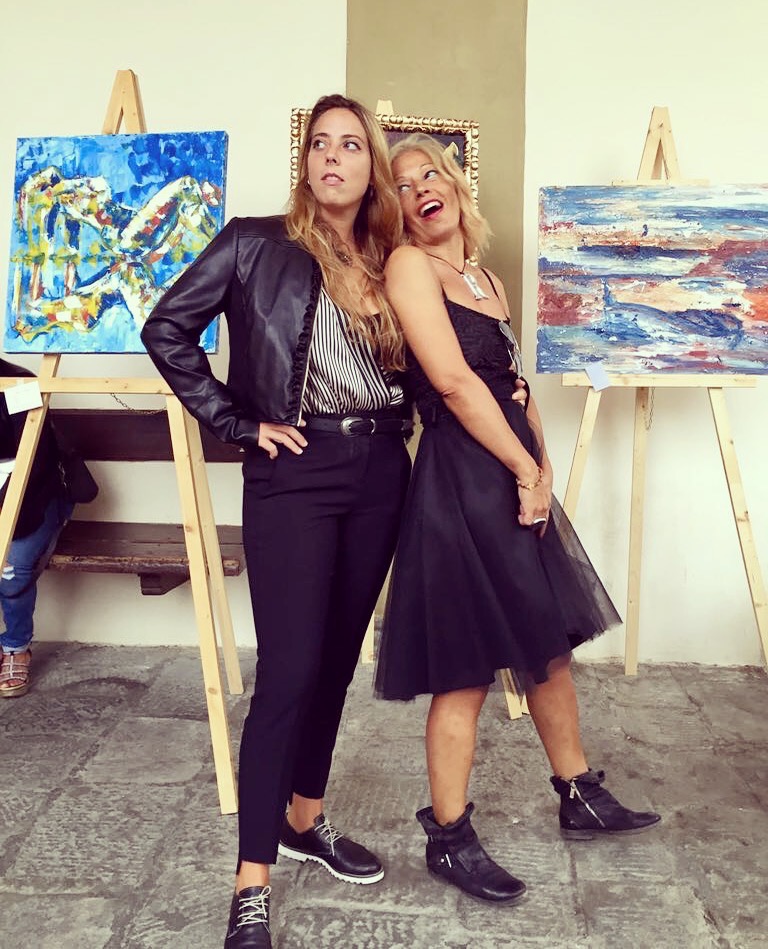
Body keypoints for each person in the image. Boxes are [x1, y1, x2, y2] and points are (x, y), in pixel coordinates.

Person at [140, 95, 413, 949]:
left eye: (351, 145)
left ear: (370, 167)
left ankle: (305, 818)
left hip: (382, 469)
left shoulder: (391, 258)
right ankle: (251, 883)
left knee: (334, 663)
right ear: (306, 163)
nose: (333, 156)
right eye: (320, 144)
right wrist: (235, 420)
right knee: (288, 672)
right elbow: (166, 327)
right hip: (295, 472)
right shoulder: (253, 243)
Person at [375, 134, 661, 904]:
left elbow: (512, 384)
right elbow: (454, 382)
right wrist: (525, 469)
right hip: (464, 481)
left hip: (512, 475)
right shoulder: (409, 266)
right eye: (401, 184)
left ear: (455, 182)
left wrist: (542, 464)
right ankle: (449, 837)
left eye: (429, 172)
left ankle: (579, 793)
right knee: (466, 668)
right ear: (395, 208)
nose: (419, 189)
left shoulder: (486, 278)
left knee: (546, 648)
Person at [0, 357, 74, 697]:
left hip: (33, 497)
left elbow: (38, 463)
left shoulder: (20, 383)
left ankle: (16, 648)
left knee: (10, 567)